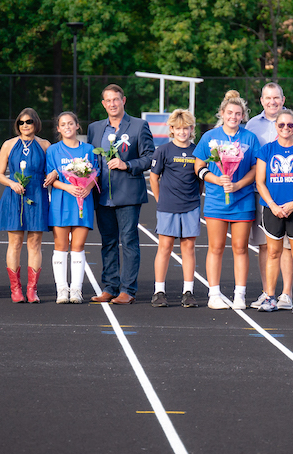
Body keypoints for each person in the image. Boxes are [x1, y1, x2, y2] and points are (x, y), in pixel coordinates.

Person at [246, 82, 293, 311]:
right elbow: (258, 175)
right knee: (268, 249)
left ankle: (291, 295)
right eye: (268, 98)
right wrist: (272, 204)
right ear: (261, 100)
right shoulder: (256, 131)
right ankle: (269, 294)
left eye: (276, 98)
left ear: (283, 99)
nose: (272, 102)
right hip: (269, 202)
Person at [86, 85, 154, 305]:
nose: (113, 104)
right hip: (102, 194)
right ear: (103, 104)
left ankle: (128, 290)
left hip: (128, 194)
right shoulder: (95, 128)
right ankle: (109, 287)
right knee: (108, 242)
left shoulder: (138, 126)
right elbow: (90, 158)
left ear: (123, 100)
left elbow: (149, 157)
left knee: (129, 241)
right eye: (108, 100)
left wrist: (127, 164)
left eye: (116, 99)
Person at [193, 90, 260, 310]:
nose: (233, 116)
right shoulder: (209, 137)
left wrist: (239, 185)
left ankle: (239, 294)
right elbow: (199, 167)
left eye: (238, 113)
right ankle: (214, 294)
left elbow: (255, 168)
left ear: (243, 116)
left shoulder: (249, 138)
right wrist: (217, 180)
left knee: (240, 248)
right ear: (222, 113)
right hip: (215, 200)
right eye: (229, 112)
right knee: (216, 247)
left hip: (243, 200)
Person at [0, 108, 51, 303]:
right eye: (21, 122)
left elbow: (52, 170)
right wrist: (12, 183)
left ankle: (32, 290)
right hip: (14, 196)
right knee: (15, 244)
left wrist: (53, 175)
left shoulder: (45, 145)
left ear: (36, 124)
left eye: (29, 122)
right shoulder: (8, 145)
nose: (25, 125)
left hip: (37, 197)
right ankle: (15, 288)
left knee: (35, 244)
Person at [149, 109, 201, 308]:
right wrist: (160, 199)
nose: (182, 132)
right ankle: (159, 290)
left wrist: (195, 197)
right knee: (165, 247)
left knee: (188, 248)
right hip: (168, 206)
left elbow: (200, 178)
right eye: (178, 129)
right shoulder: (163, 150)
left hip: (190, 206)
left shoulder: (197, 151)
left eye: (186, 128)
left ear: (191, 129)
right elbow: (154, 177)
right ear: (171, 129)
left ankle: (188, 291)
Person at [47, 112, 99, 304]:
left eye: (71, 123)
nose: (67, 127)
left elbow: (95, 174)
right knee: (60, 247)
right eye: (63, 124)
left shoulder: (89, 149)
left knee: (78, 247)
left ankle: (76, 289)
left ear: (78, 126)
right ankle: (62, 288)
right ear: (58, 129)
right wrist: (68, 186)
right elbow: (50, 178)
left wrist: (88, 187)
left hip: (82, 202)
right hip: (61, 201)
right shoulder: (53, 150)